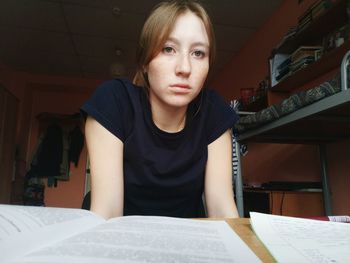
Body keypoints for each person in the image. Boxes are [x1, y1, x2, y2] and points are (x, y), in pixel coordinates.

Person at [81, 0, 239, 219]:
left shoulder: (213, 112)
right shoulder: (114, 102)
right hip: (120, 236)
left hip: (186, 239)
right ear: (145, 63)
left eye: (198, 53)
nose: (184, 68)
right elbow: (107, 212)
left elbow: (222, 207)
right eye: (168, 49)